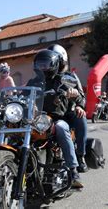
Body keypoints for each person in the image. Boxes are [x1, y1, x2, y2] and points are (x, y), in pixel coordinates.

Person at [27, 49, 84, 188]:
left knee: (61, 127)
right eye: (40, 65)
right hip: (36, 120)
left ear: (54, 65)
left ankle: (73, 170)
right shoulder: (33, 82)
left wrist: (75, 96)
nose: (42, 68)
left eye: (45, 64)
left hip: (56, 118)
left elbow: (79, 95)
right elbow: (23, 95)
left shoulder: (63, 80)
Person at [48, 44, 89, 173]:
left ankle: (80, 155)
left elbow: (81, 95)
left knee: (80, 117)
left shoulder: (70, 77)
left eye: (54, 60)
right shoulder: (41, 78)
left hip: (67, 112)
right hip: (46, 115)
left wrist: (79, 105)